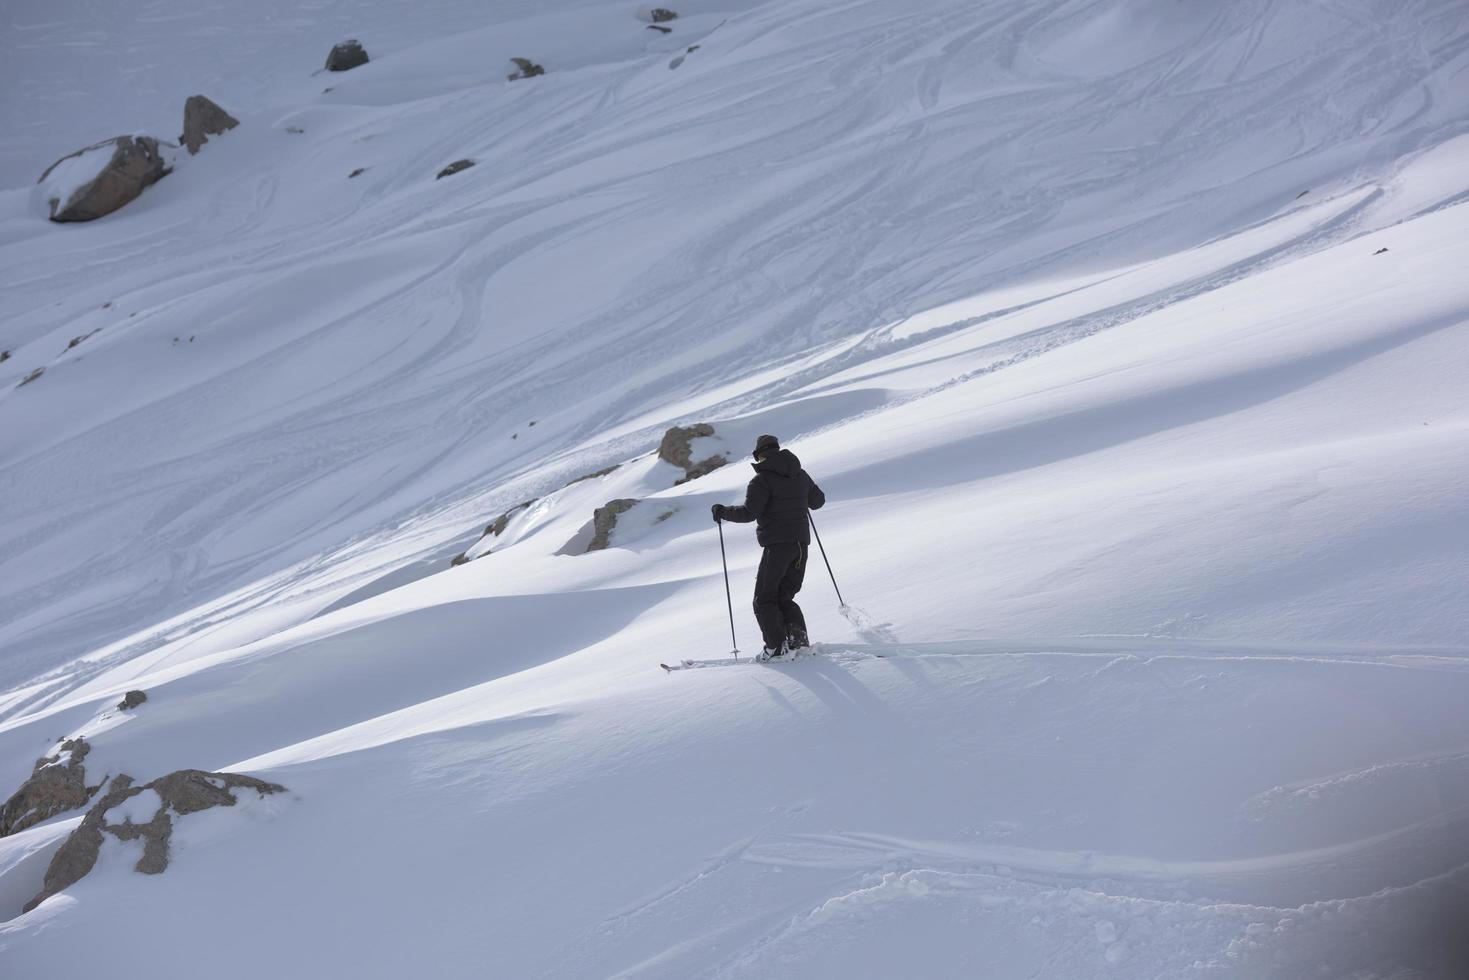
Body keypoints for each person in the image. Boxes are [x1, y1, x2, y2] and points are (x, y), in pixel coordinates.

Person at [712, 434, 826, 661]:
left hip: (777, 546)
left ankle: (774, 648)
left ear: (759, 455)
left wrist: (722, 511)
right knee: (784, 597)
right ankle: (798, 644)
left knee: (764, 599)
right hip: (801, 545)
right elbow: (818, 502)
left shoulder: (762, 480)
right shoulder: (800, 474)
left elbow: (749, 513)